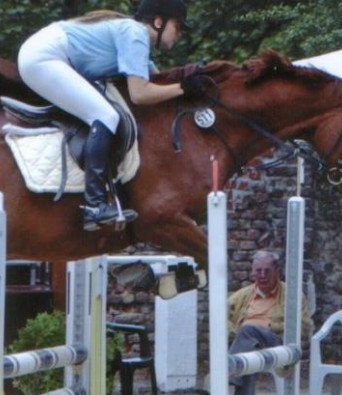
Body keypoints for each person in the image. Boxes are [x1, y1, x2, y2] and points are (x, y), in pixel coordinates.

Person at [17, 0, 204, 231]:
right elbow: (140, 94)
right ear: (158, 22)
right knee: (106, 115)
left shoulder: (136, 40)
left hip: (43, 53)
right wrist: (183, 88)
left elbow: (157, 83)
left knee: (105, 112)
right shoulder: (135, 34)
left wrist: (184, 87)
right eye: (178, 27)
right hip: (42, 57)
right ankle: (94, 205)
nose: (180, 34)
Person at [228, 250, 313, 395]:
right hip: (249, 344)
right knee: (247, 352)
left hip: (276, 342)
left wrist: (276, 326)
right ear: (252, 273)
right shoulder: (243, 295)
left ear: (277, 271)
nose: (262, 275)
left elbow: (305, 325)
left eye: (267, 270)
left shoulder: (292, 295)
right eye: (258, 271)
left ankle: (227, 374)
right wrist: (231, 329)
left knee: (247, 331)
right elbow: (221, 314)